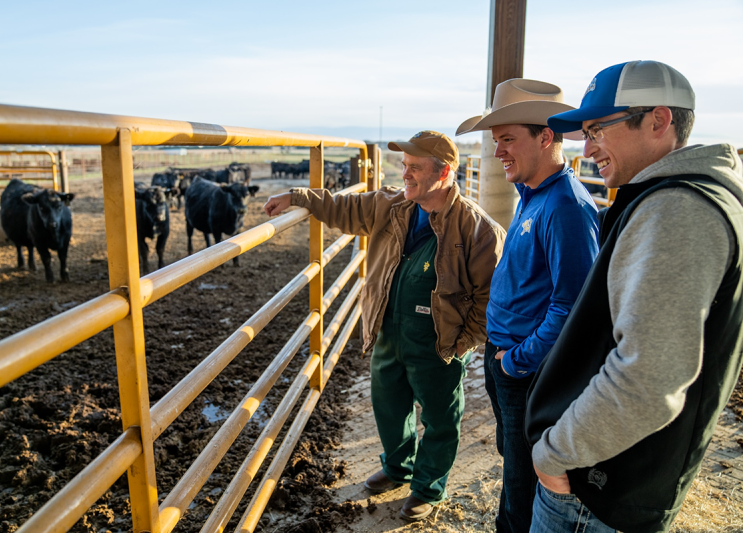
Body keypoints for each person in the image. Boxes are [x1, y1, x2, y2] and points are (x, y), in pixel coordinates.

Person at [526, 60, 743, 533]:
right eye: (584, 133)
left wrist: (555, 454)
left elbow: (648, 378)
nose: (587, 148)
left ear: (659, 121)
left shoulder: (677, 209)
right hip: (610, 476)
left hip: (598, 488)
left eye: (599, 129)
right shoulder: (684, 198)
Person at [263, 131, 505, 521]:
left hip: (439, 341)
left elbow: (489, 296)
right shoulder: (391, 204)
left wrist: (463, 343)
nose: (405, 174)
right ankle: (398, 467)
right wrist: (297, 196)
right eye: (404, 166)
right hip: (389, 330)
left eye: (415, 168)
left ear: (443, 172)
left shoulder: (477, 230)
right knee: (388, 405)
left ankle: (428, 487)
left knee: (441, 416)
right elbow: (342, 207)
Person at [456, 78, 600, 532]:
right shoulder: (534, 195)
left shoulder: (566, 208)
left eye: (508, 139)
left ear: (545, 136)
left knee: (522, 480)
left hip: (527, 368)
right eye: (496, 141)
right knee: (514, 464)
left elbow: (572, 306)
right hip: (507, 359)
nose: (498, 152)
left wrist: (517, 362)